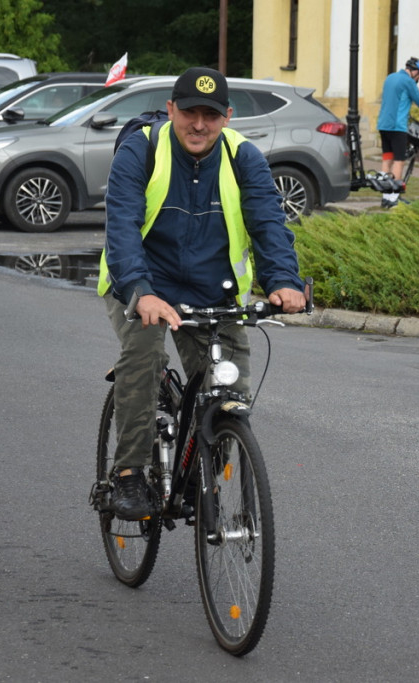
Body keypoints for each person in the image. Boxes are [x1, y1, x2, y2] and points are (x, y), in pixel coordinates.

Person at [97, 66, 307, 520]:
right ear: (171, 110)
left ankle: (200, 471)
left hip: (214, 292)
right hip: (144, 284)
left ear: (227, 117)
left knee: (229, 396)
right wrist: (140, 291)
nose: (199, 124)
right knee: (146, 359)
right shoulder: (143, 149)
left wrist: (284, 281)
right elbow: (123, 227)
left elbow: (269, 223)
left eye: (210, 115)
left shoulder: (242, 157)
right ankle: (129, 474)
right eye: (189, 112)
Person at [376, 56, 419, 208]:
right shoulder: (407, 81)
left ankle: (385, 197)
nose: (418, 80)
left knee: (387, 159)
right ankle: (393, 198)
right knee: (399, 160)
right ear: (415, 72)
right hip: (397, 127)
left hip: (383, 125)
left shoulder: (390, 77)